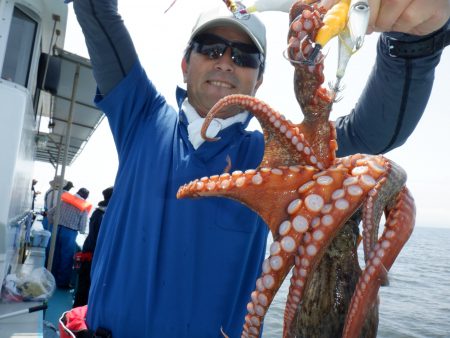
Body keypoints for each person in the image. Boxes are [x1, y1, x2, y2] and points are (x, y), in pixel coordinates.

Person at [66, 0, 449, 337]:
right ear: (186, 64)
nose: (225, 62)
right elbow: (96, 10)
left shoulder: (274, 156)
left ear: (259, 79)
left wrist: (413, 45)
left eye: (244, 56)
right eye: (211, 48)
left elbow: (371, 132)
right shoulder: (140, 116)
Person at [73, 186, 113, 308]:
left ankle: (77, 310)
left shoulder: (98, 212)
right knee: (87, 286)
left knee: (83, 285)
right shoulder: (104, 215)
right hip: (93, 255)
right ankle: (79, 313)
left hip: (89, 252)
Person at [48, 187, 91, 288]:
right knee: (66, 258)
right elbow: (82, 227)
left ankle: (50, 279)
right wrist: (81, 231)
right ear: (85, 197)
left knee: (54, 254)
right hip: (70, 233)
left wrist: (52, 222)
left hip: (56, 229)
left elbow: (50, 213)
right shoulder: (83, 208)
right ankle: (62, 283)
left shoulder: (63, 201)